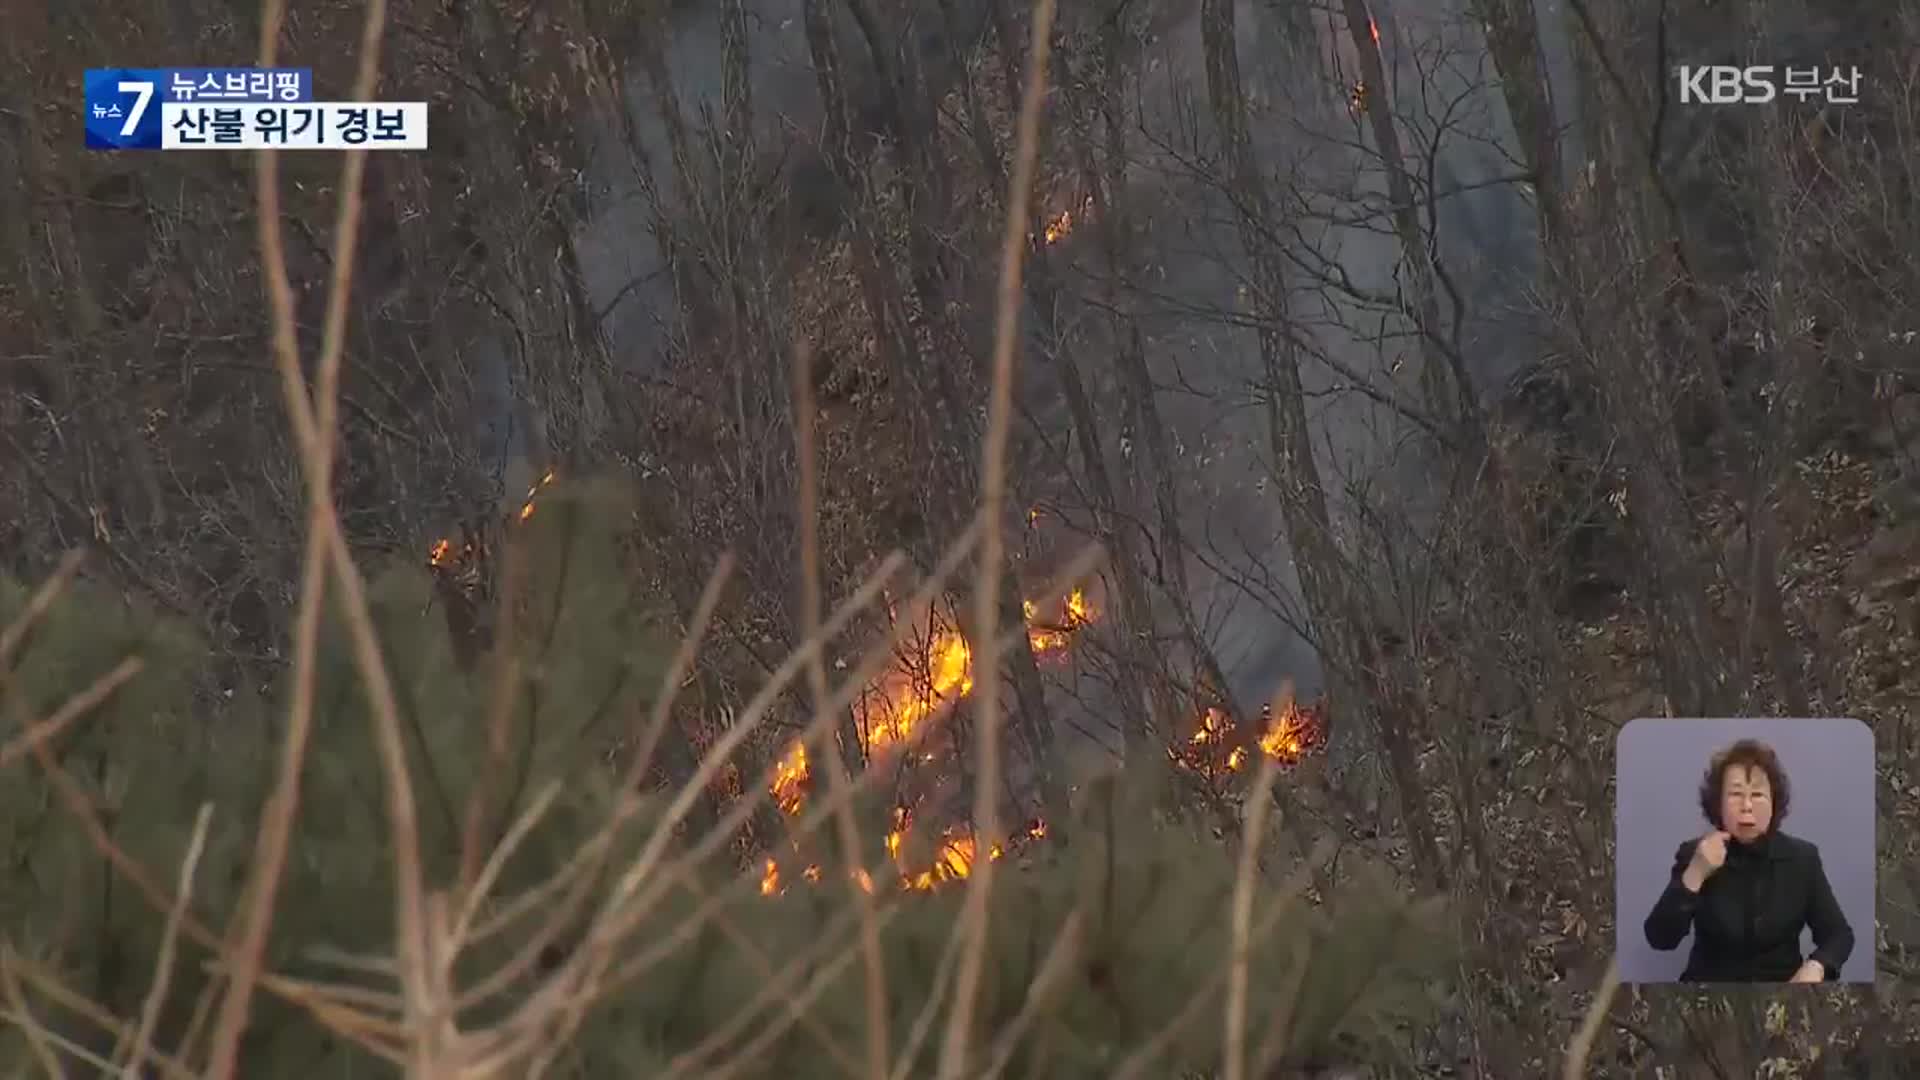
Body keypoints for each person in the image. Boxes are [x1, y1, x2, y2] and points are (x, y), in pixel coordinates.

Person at [1643, 738, 1854, 982]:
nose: (1746, 806)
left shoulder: (1803, 858)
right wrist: (1696, 872)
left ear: (1774, 802)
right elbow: (1660, 938)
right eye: (1735, 794)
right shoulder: (1694, 853)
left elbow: (1839, 934)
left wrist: (1817, 966)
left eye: (1757, 794)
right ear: (1718, 804)